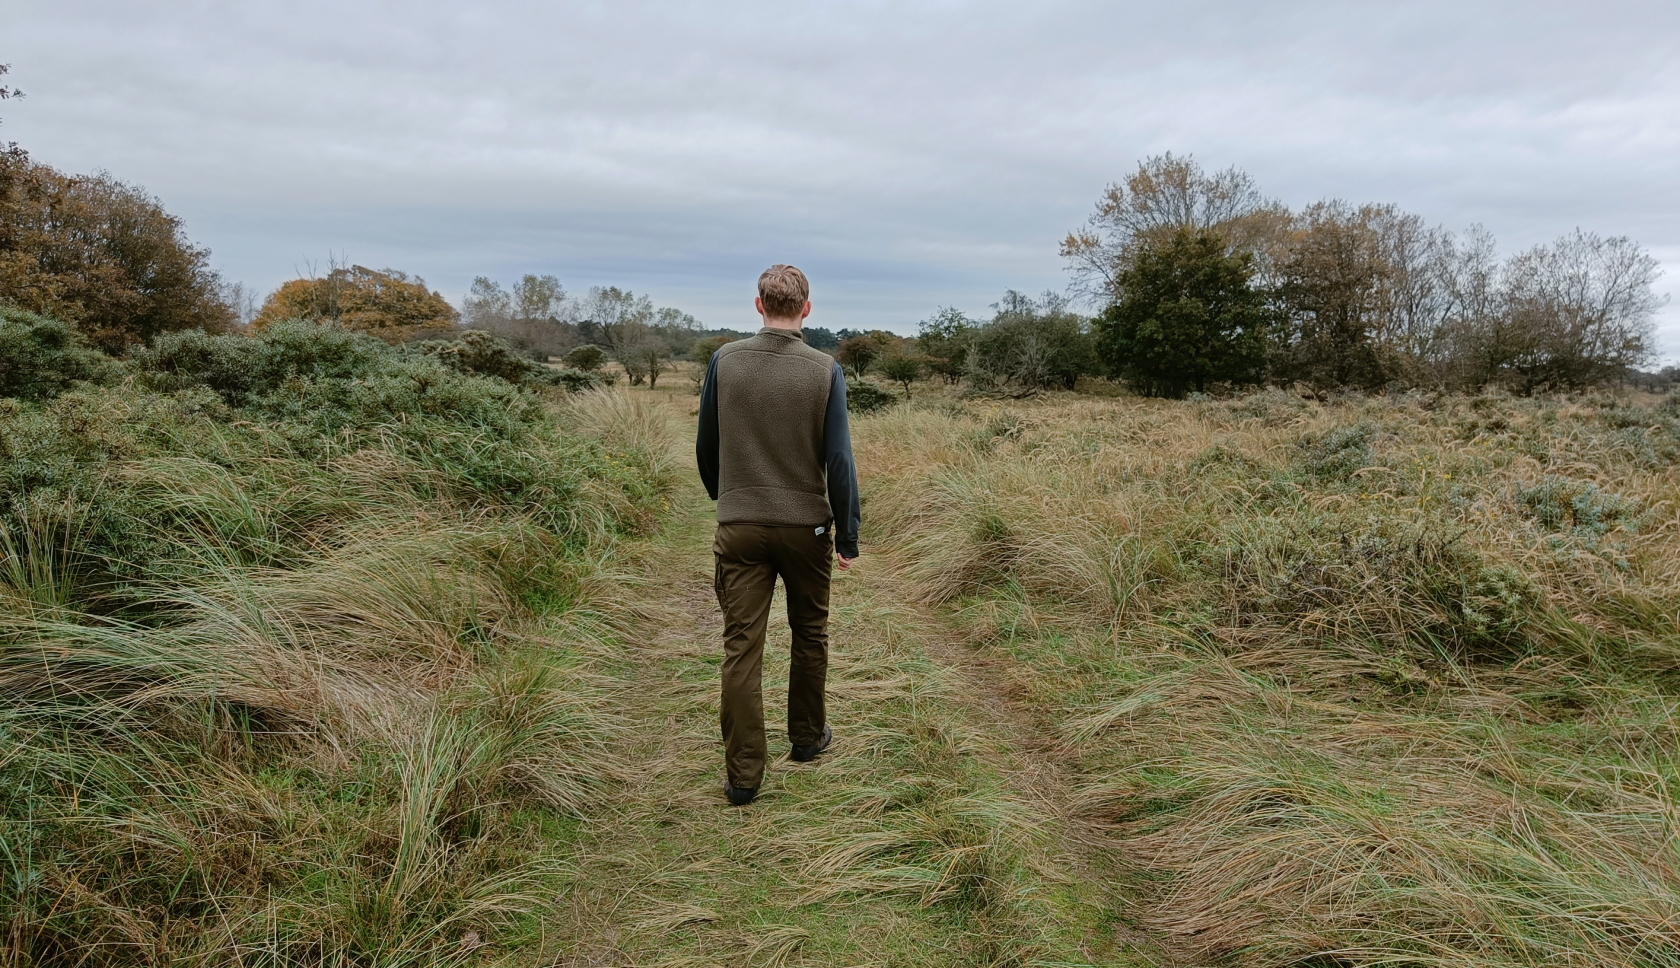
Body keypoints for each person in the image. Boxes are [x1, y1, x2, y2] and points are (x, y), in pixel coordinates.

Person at [695, 264, 860, 807]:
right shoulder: (824, 370)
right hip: (806, 526)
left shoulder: (724, 361)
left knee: (742, 647)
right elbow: (838, 460)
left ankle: (744, 777)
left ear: (758, 304)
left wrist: (730, 497)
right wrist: (846, 533)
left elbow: (707, 447)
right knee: (809, 634)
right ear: (806, 309)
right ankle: (808, 739)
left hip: (739, 526)